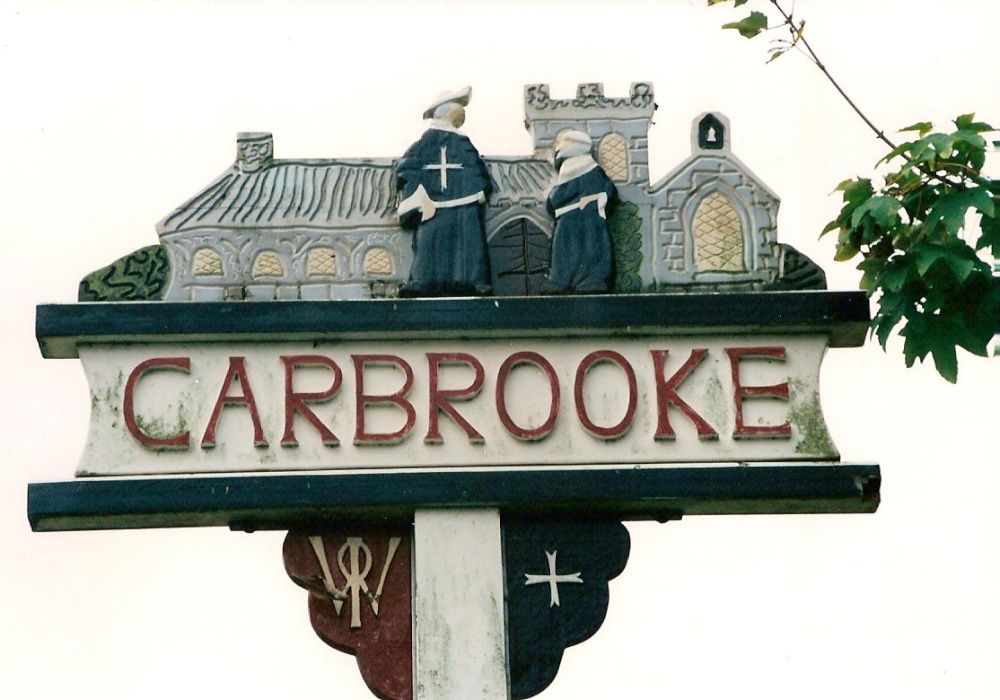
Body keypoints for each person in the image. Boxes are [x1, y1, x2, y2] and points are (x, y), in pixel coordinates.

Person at [397, 86, 492, 296]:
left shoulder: (462, 142)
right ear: (447, 110)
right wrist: (417, 195)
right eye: (460, 107)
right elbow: (408, 168)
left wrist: (479, 189)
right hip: (432, 205)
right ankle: (423, 281)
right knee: (429, 243)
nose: (463, 111)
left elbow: (475, 168)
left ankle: (473, 280)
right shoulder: (424, 144)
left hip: (465, 204)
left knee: (468, 244)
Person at [543, 130, 617, 293]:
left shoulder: (588, 174)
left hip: (585, 220)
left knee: (586, 249)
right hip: (574, 221)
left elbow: (553, 201)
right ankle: (565, 281)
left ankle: (587, 280)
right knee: (571, 250)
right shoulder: (582, 176)